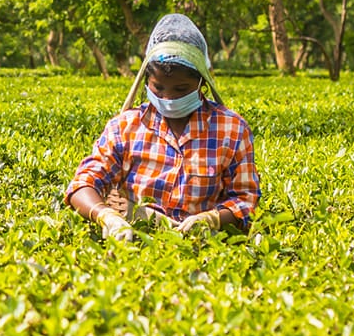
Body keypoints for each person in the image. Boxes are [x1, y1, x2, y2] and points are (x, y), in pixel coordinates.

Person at [65, 14, 259, 242]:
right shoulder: (125, 127)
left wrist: (213, 218)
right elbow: (83, 183)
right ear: (146, 80)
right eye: (158, 88)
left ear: (202, 84)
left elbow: (246, 198)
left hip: (201, 247)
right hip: (134, 244)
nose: (168, 98)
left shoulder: (232, 130)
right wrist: (106, 215)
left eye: (181, 89)